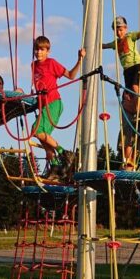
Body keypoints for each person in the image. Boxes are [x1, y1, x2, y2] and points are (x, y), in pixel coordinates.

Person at [102, 16, 140, 168]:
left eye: (121, 28)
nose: (119, 32)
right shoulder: (116, 44)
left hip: (137, 66)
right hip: (126, 71)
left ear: (126, 28)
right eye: (116, 30)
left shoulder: (131, 36)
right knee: (129, 98)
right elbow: (103, 46)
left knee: (136, 89)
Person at [31, 35, 85, 177]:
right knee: (42, 136)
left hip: (53, 103)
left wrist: (79, 60)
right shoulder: (33, 66)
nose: (38, 52)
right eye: (36, 49)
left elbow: (71, 76)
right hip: (43, 105)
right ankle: (54, 165)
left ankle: (63, 152)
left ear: (48, 51)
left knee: (36, 131)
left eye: (42, 49)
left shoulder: (51, 63)